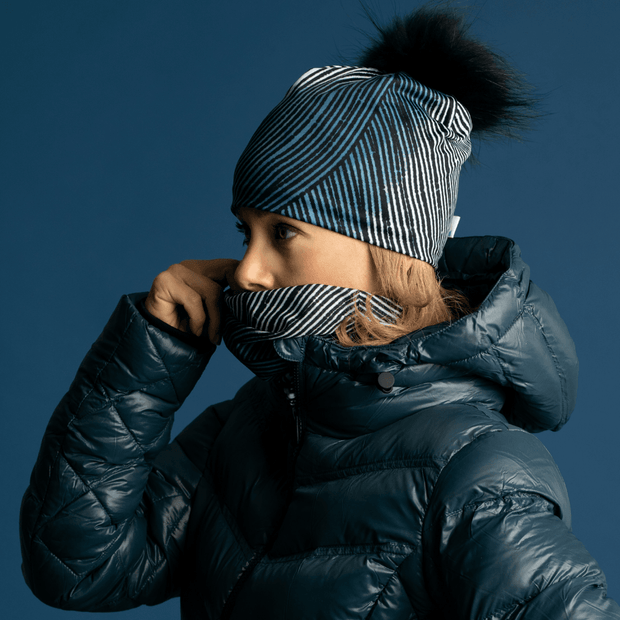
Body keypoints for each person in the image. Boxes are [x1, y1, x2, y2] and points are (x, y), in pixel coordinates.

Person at [19, 6, 620, 619]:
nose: (248, 270)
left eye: (282, 232)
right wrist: (149, 353)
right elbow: (80, 569)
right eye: (244, 232)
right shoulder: (256, 424)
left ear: (390, 243)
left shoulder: (475, 475)